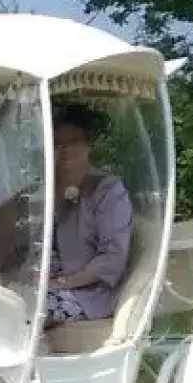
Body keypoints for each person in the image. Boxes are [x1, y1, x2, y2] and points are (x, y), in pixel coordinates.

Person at [44, 99, 134, 326]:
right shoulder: (44, 189)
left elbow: (113, 257)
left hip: (87, 294)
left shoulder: (108, 190)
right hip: (42, 285)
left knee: (23, 312)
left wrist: (62, 283)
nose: (64, 150)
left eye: (73, 141)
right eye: (57, 143)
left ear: (88, 144)